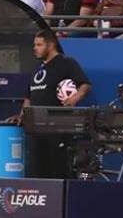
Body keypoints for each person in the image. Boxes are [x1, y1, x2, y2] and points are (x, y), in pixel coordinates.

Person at [16, 28, 91, 178]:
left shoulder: (66, 63)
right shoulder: (37, 70)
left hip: (57, 127)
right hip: (36, 128)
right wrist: (22, 115)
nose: (35, 48)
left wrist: (74, 98)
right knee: (36, 170)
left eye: (39, 45)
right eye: (34, 45)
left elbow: (85, 85)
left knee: (57, 169)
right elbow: (28, 97)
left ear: (50, 45)